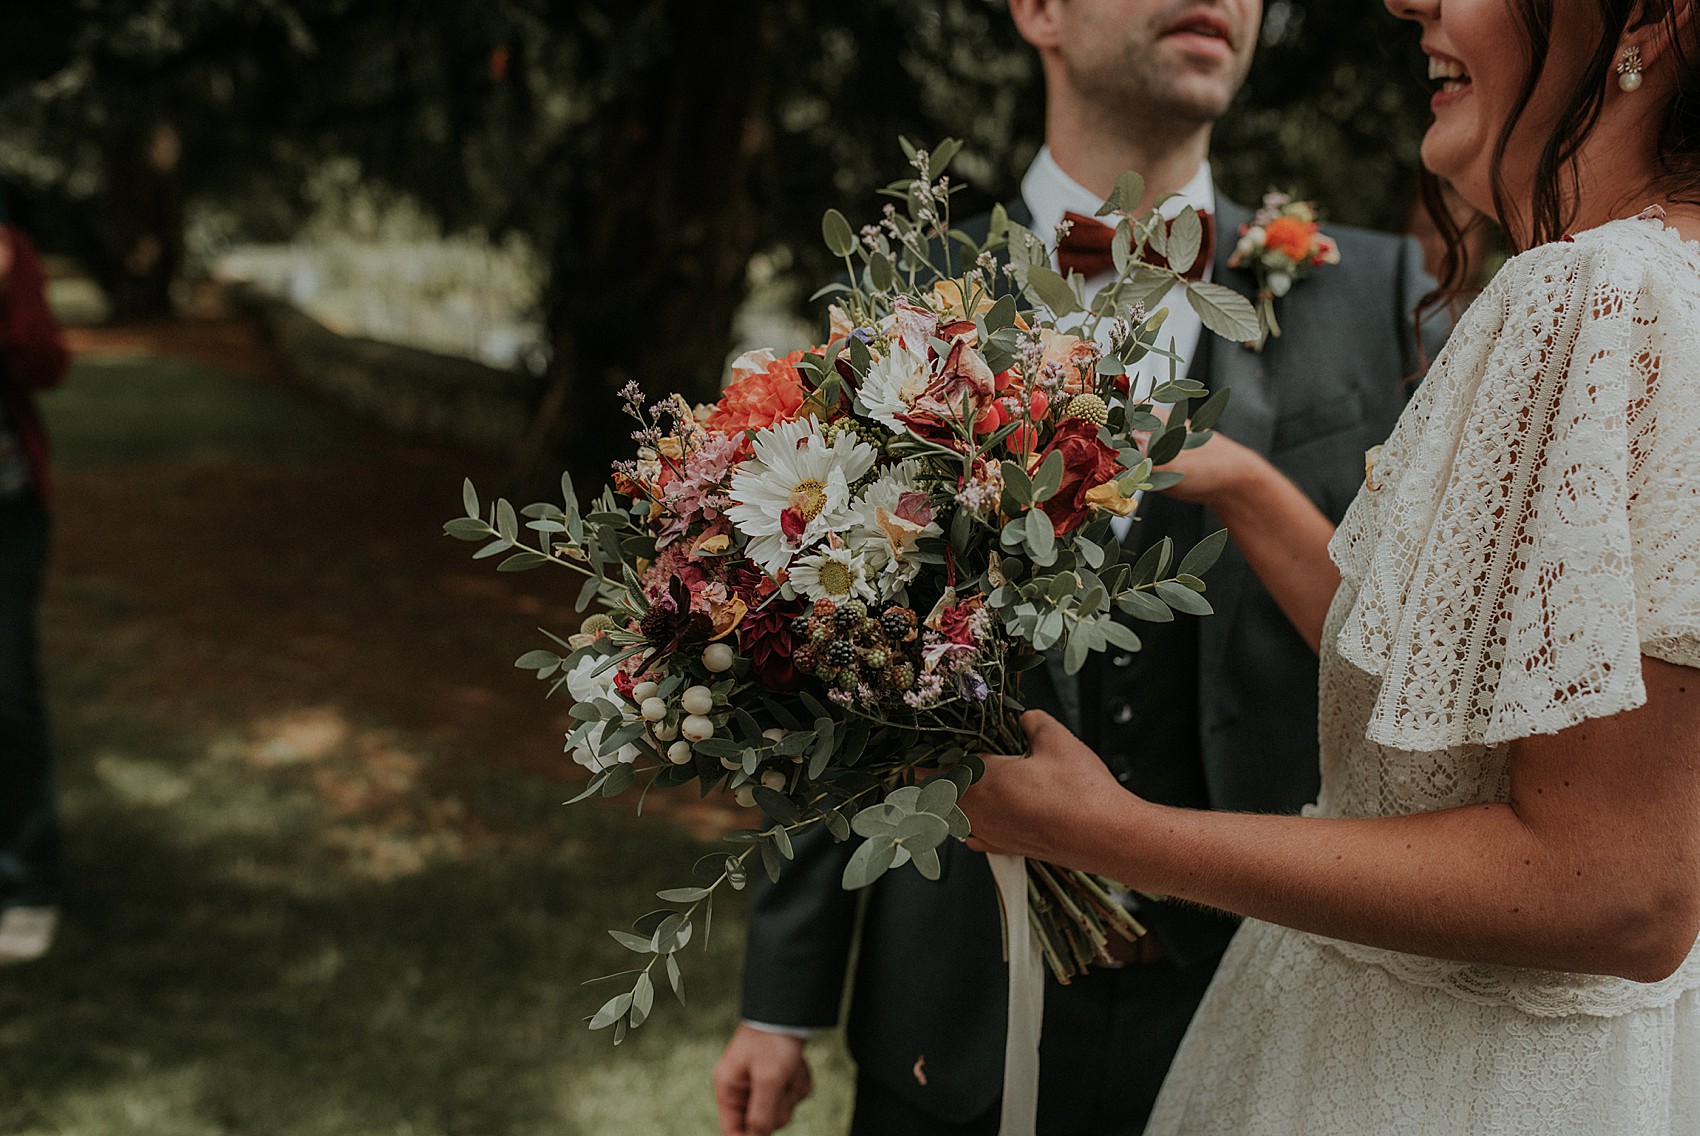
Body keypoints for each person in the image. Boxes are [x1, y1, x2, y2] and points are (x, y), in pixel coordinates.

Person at [959, 0, 1700, 1131]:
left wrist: (1105, 829)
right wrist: (1250, 488)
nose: (1408, 1)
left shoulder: (1599, 294)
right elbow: (1465, 703)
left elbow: (1619, 893)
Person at [714, 2, 1443, 1133]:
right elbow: (822, 655)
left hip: (1263, 1013)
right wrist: (779, 994)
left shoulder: (1378, 295)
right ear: (1038, 11)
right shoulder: (903, 290)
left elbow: (1433, 655)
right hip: (951, 1007)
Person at [0, 210, 70, 964]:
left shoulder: (9, 249)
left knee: (8, 687)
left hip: (7, 509)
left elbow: (48, 364)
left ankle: (26, 881)